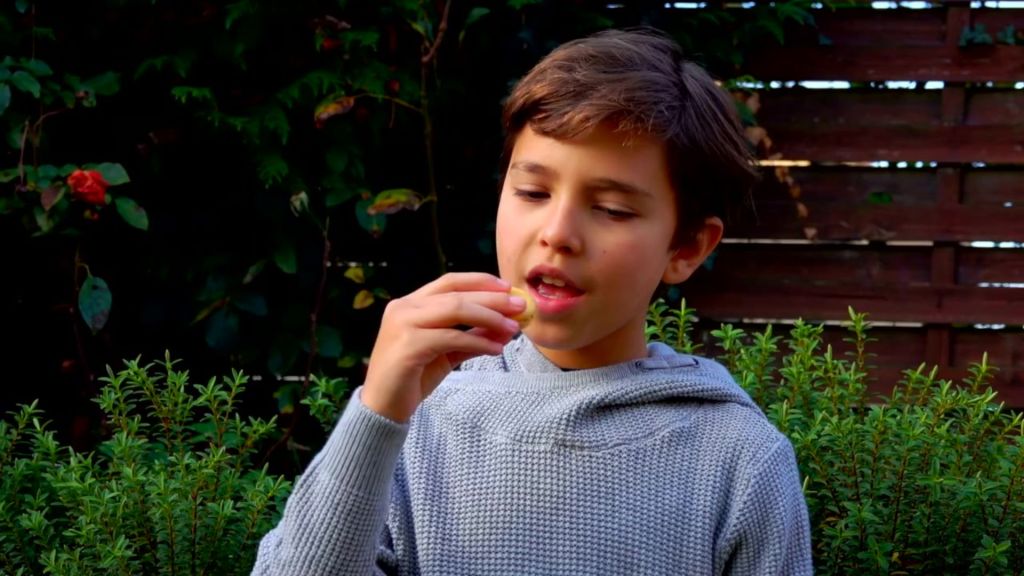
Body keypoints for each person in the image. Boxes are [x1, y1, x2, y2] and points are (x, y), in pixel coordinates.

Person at [252, 27, 812, 575]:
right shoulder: (423, 420)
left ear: (687, 248)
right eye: (533, 192)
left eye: (613, 209)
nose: (558, 232)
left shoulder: (739, 459)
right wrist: (376, 413)